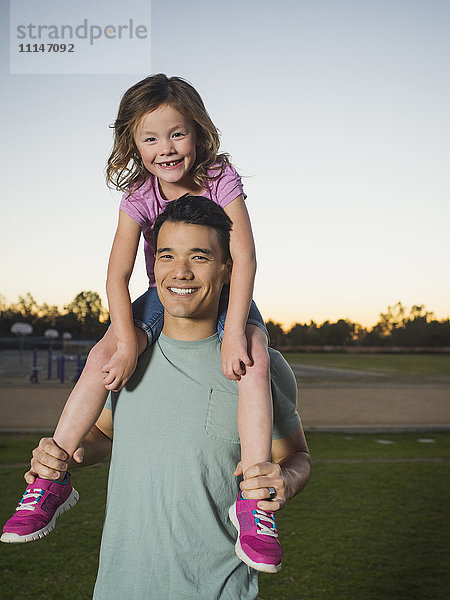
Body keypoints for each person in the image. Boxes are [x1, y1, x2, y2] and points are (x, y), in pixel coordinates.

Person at [3, 74, 279, 570]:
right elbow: (117, 275)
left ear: (197, 132)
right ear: (133, 143)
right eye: (150, 138)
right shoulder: (140, 195)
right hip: (160, 294)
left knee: (254, 358)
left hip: (221, 288)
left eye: (177, 134)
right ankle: (52, 477)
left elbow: (245, 259)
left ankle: (254, 501)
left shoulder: (220, 178)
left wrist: (235, 329)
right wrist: (127, 341)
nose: (166, 149)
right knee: (102, 355)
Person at [24, 196, 311, 599]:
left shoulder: (257, 365)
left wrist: (285, 479)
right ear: (153, 265)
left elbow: (297, 456)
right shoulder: (125, 357)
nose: (181, 272)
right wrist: (61, 456)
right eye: (167, 256)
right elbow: (102, 437)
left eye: (199, 257)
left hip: (218, 588)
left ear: (228, 268)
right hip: (120, 585)